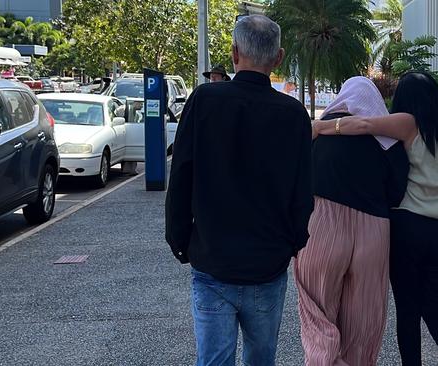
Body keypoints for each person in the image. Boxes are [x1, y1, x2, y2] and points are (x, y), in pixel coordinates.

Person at [165, 15, 313, 366]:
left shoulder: (203, 101)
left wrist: (180, 240)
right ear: (277, 58)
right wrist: (293, 243)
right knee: (262, 359)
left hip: (212, 261)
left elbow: (181, 175)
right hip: (268, 263)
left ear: (234, 53)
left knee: (213, 360)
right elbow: (302, 190)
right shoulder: (293, 114)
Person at [312, 71, 438, 366]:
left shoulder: (409, 123)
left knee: (408, 310)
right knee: (437, 308)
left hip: (410, 227)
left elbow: (363, 124)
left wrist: (321, 126)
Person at [295, 76, 409, 365]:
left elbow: (297, 185)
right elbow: (397, 192)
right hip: (373, 231)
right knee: (363, 325)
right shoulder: (388, 141)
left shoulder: (317, 135)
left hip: (322, 225)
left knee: (316, 310)